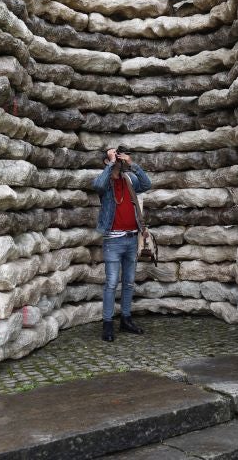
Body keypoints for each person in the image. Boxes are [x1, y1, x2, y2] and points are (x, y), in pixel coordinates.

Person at [92, 146, 152, 342]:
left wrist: (131, 164)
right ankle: (107, 323)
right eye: (113, 155)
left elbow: (147, 184)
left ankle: (126, 319)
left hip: (131, 238)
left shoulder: (129, 179)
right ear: (106, 161)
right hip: (113, 240)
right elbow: (97, 186)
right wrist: (111, 163)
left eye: (117, 155)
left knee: (128, 282)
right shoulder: (104, 181)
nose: (117, 158)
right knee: (111, 283)